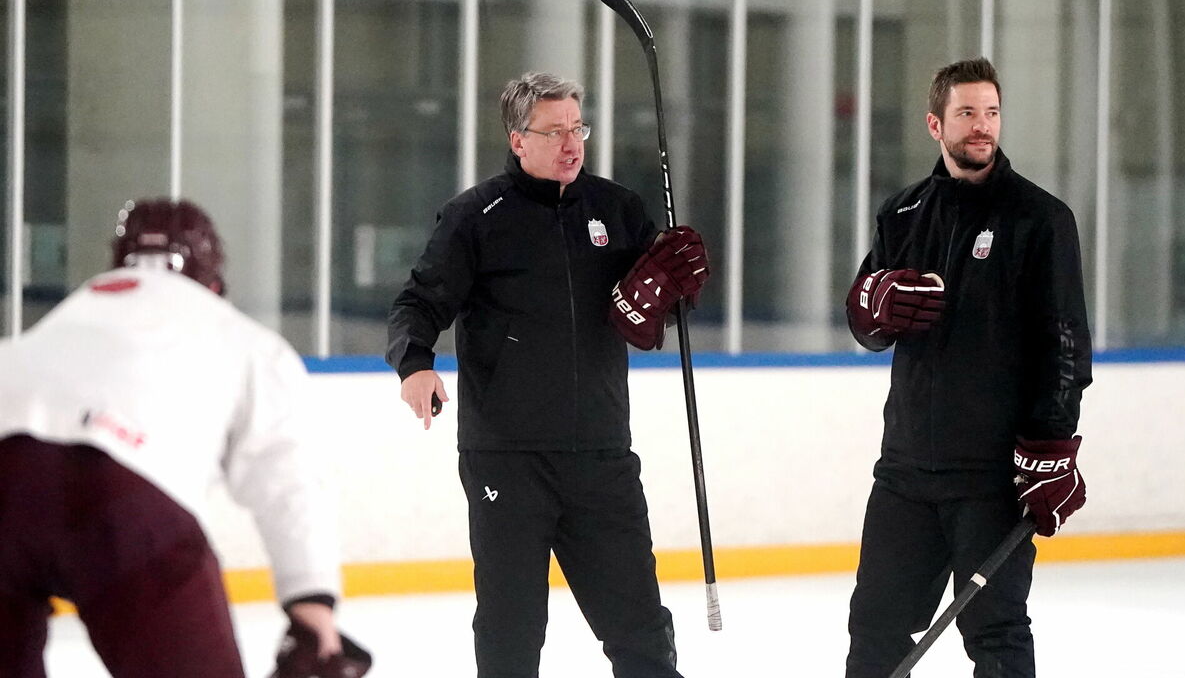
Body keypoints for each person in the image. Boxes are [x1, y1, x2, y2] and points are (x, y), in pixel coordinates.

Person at [386, 71, 709, 678]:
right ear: (517, 140)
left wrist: (681, 284)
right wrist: (415, 365)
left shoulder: (618, 208)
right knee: (512, 630)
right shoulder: (475, 216)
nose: (572, 144)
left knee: (640, 629)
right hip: (507, 459)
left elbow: (664, 309)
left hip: (602, 456)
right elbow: (418, 303)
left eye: (577, 128)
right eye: (554, 131)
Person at [0, 198, 370, 678]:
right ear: (213, 281)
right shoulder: (241, 337)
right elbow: (287, 479)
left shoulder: (62, 321)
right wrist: (311, 599)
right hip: (124, 500)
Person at [843, 57, 1092, 678]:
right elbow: (865, 321)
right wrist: (871, 309)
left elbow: (1064, 343)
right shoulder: (901, 214)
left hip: (990, 476)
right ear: (936, 124)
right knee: (875, 625)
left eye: (991, 113)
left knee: (995, 632)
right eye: (966, 114)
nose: (982, 126)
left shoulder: (1041, 219)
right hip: (904, 470)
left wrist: (1052, 445)